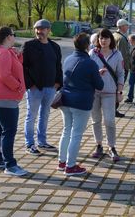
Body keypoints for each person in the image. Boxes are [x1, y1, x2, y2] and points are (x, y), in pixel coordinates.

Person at [58, 33, 104, 176]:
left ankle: (62, 162)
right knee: (76, 134)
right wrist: (97, 74)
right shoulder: (90, 63)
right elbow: (100, 85)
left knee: (66, 131)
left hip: (65, 100)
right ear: (87, 45)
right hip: (81, 102)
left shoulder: (68, 59)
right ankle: (71, 167)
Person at [0, 27, 28, 176]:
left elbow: (15, 67)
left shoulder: (0, 51)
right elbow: (5, 75)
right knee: (8, 132)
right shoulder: (3, 53)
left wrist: (18, 55)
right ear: (8, 37)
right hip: (5, 98)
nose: (14, 37)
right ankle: (10, 165)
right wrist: (18, 87)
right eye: (13, 35)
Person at [22, 19, 63, 155]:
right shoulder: (29, 45)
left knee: (44, 115)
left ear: (48, 30)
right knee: (31, 115)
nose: (39, 31)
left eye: (42, 29)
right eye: (37, 29)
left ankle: (42, 141)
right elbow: (23, 67)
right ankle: (29, 143)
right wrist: (30, 85)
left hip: (51, 88)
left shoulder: (55, 47)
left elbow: (58, 66)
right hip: (35, 88)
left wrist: (58, 83)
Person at [89, 29, 124, 162]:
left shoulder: (117, 54)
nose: (103, 41)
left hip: (110, 93)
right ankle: (98, 145)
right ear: (98, 40)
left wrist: (120, 91)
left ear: (111, 40)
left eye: (106, 38)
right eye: (101, 38)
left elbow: (121, 73)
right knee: (95, 120)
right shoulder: (93, 53)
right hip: (94, 93)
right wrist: (96, 72)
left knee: (109, 120)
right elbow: (88, 70)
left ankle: (112, 147)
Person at [113, 18, 132, 118]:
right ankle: (114, 110)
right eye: (126, 25)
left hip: (113, 67)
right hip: (121, 68)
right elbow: (123, 55)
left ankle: (112, 109)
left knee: (114, 88)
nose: (128, 27)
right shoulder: (121, 39)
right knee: (118, 89)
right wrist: (126, 68)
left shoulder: (114, 35)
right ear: (121, 27)